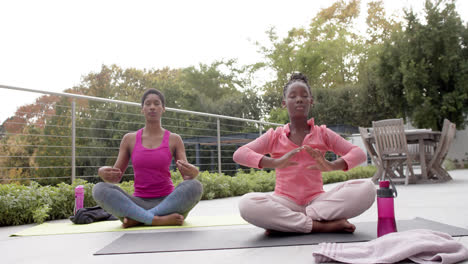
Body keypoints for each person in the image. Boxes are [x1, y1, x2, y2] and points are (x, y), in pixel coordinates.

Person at [233, 73, 375, 234]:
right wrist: (275, 163)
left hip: (317, 202)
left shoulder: (323, 133)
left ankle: (288, 223)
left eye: (304, 96)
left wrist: (331, 165)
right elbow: (239, 154)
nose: (299, 99)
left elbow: (359, 153)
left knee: (367, 188)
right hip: (284, 201)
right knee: (247, 203)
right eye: (292, 96)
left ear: (311, 101)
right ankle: (321, 225)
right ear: (284, 103)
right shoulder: (274, 136)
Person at [93, 88, 203, 228]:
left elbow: (186, 178)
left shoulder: (174, 139)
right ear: (142, 109)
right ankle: (156, 219)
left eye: (157, 103)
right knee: (99, 189)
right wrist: (102, 172)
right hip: (138, 203)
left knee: (194, 186)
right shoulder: (129, 139)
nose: (152, 107)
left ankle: (139, 219)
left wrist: (193, 173)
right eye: (148, 104)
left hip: (168, 203)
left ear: (163, 109)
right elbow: (115, 178)